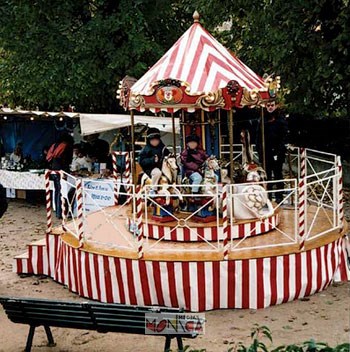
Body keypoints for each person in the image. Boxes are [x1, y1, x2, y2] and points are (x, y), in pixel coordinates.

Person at [257, 99, 288, 203]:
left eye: (272, 105)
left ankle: (279, 196)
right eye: (268, 105)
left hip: (278, 152)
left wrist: (279, 150)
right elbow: (258, 137)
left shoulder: (280, 119)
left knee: (278, 173)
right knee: (267, 175)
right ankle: (268, 196)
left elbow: (283, 136)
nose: (270, 107)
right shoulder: (262, 119)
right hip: (266, 152)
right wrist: (260, 151)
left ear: (275, 106)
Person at [46, 133, 74, 218]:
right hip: (62, 170)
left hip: (54, 169)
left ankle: (58, 211)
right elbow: (68, 160)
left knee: (57, 190)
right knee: (62, 191)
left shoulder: (54, 145)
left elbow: (48, 158)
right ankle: (61, 212)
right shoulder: (67, 146)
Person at [139, 128, 170, 192]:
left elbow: (168, 154)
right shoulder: (146, 149)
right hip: (150, 168)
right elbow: (141, 161)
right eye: (152, 140)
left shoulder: (162, 147)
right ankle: (153, 189)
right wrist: (152, 160)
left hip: (162, 166)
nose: (155, 142)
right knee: (157, 172)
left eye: (156, 140)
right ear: (149, 140)